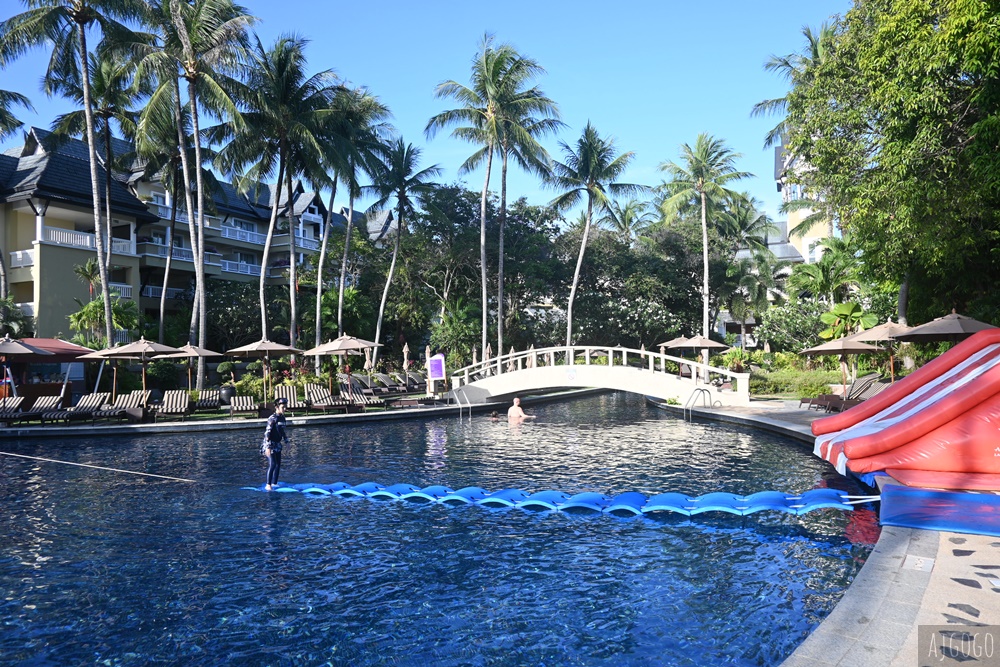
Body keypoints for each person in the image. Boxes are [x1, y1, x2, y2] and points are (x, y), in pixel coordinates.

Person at [262, 397, 290, 490]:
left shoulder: (282, 418)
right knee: (272, 464)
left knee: (278, 464)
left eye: (285, 407)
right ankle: (268, 484)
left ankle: (274, 483)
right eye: (283, 407)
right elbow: (267, 433)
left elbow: (282, 431)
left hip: (277, 443)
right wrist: (268, 447)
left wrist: (287, 442)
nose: (285, 409)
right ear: (277, 407)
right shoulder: (272, 418)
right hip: (270, 444)